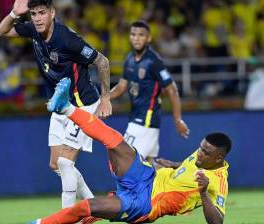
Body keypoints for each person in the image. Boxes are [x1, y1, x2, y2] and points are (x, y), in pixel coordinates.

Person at [30, 77, 231, 224]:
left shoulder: (218, 182)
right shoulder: (202, 157)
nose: (199, 153)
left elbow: (217, 222)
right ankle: (65, 107)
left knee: (86, 207)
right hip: (147, 176)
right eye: (200, 148)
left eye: (205, 152)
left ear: (218, 158)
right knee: (115, 141)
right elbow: (191, 168)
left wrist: (203, 194)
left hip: (145, 204)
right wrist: (174, 165)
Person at [0, 0, 112, 208]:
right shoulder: (33, 30)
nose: (38, 18)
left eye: (42, 13)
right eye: (34, 14)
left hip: (81, 105)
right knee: (55, 164)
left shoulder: (68, 39)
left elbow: (102, 61)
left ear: (52, 13)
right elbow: (2, 31)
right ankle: (93, 206)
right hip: (59, 107)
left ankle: (67, 216)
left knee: (66, 163)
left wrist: (105, 99)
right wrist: (14, 13)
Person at [110, 20, 189, 162]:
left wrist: (178, 120)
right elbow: (122, 87)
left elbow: (172, 90)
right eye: (133, 34)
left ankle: (182, 172)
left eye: (141, 35)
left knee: (125, 161)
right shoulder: (129, 58)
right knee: (149, 166)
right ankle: (176, 173)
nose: (137, 38)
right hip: (136, 117)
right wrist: (104, 97)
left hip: (145, 119)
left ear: (149, 38)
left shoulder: (154, 61)